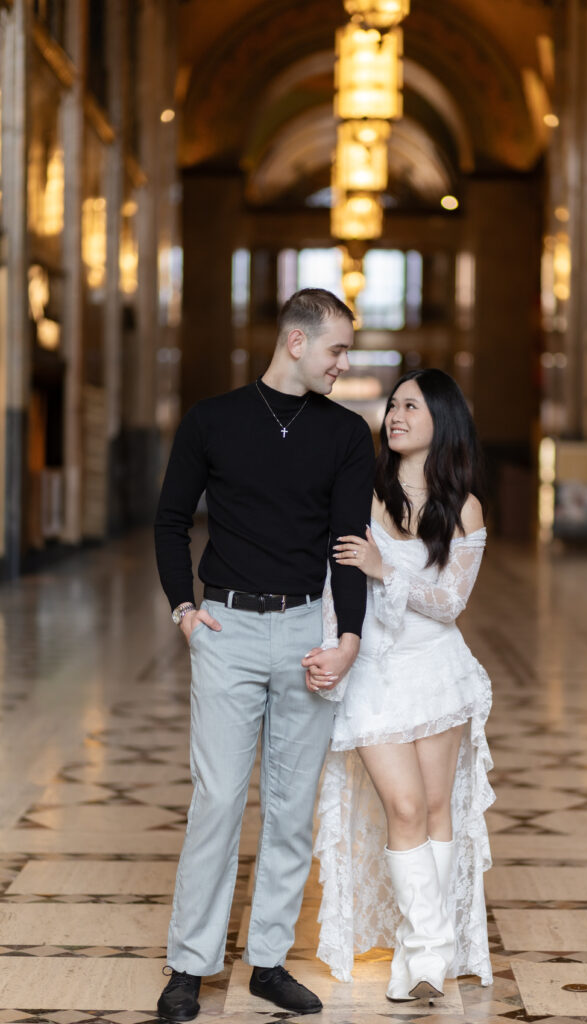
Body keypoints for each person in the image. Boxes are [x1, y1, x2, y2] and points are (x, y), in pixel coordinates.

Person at [153, 288, 375, 1021]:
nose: (345, 363)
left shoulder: (346, 435)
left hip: (308, 629)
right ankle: (189, 964)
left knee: (290, 808)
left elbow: (347, 547)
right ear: (295, 342)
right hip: (226, 629)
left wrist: (347, 640)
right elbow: (169, 520)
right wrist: (185, 609)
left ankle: (269, 962)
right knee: (216, 800)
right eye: (337, 349)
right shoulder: (213, 419)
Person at [304, 368, 495, 1000]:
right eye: (393, 405)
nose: (395, 415)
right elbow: (337, 583)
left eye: (410, 405)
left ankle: (424, 958)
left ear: (442, 418)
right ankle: (431, 945)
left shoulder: (463, 507)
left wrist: (388, 569)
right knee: (405, 807)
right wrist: (334, 649)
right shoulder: (365, 492)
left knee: (437, 809)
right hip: (374, 675)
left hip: (438, 672)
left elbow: (451, 604)